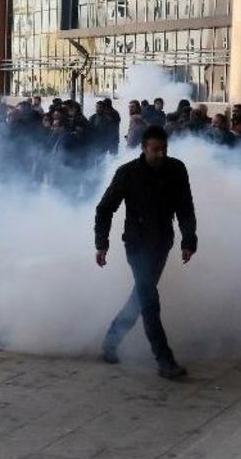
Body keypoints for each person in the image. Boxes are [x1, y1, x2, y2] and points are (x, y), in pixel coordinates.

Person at [95, 125, 196, 380]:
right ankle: (165, 361)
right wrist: (102, 243)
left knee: (140, 297)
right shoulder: (128, 173)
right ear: (143, 148)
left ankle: (111, 340)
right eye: (155, 150)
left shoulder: (176, 169)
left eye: (164, 149)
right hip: (137, 244)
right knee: (150, 301)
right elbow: (105, 208)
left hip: (162, 243)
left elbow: (185, 207)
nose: (160, 154)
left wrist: (189, 239)